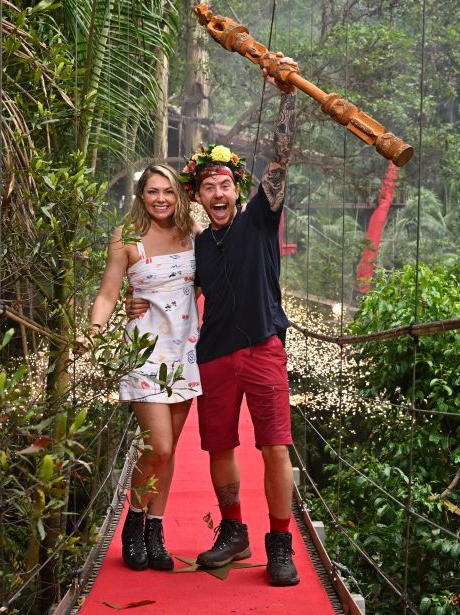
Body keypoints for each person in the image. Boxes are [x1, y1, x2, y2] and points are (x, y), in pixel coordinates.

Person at [128, 55, 300, 586]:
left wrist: (287, 96)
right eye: (209, 188)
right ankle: (233, 530)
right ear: (198, 198)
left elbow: (281, 159)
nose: (219, 194)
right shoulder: (195, 245)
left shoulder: (260, 221)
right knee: (220, 448)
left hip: (265, 346)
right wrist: (135, 304)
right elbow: (165, 285)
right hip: (214, 356)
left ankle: (280, 543)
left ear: (236, 188)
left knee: (274, 446)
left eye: (226, 185)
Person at [86, 163, 202, 572]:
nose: (161, 199)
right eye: (152, 192)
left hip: (185, 350)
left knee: (167, 456)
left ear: (179, 195)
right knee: (160, 447)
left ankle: (155, 531)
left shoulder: (192, 235)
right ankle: (133, 523)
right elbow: (106, 294)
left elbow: (207, 281)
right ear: (141, 196)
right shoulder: (127, 238)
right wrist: (95, 333)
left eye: (168, 191)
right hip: (144, 350)